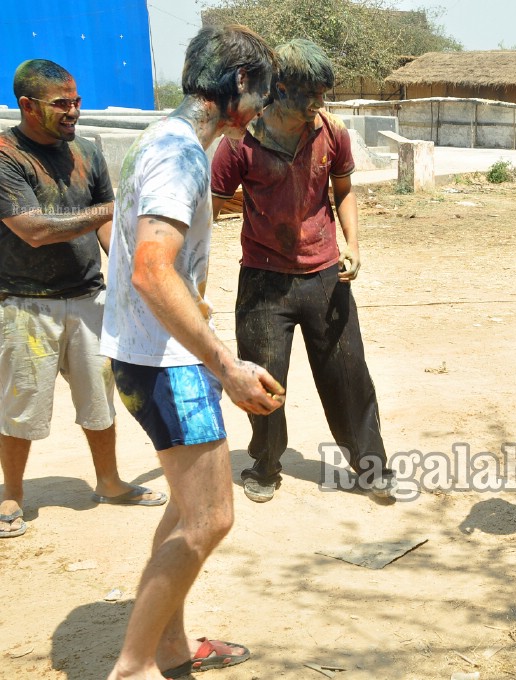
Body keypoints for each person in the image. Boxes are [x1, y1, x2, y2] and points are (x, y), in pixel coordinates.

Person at [100, 26, 283, 679]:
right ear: (239, 83)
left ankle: (170, 649)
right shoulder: (180, 155)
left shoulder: (155, 138)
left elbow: (136, 255)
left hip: (141, 354)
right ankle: (133, 667)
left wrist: (200, 329)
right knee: (209, 518)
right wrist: (224, 364)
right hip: (164, 364)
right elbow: (152, 269)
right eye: (261, 92)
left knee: (185, 510)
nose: (261, 110)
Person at [210, 38, 395, 504]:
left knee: (349, 375)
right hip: (263, 282)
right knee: (264, 380)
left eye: (323, 94)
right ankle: (266, 464)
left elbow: (344, 191)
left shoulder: (332, 132)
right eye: (310, 94)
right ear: (280, 87)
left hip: (326, 277)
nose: (318, 104)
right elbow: (211, 207)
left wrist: (353, 245)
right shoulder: (240, 142)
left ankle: (369, 466)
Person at [0, 59, 167, 540]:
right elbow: (31, 230)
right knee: (22, 404)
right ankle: (12, 492)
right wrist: (113, 208)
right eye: (62, 103)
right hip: (26, 304)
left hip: (89, 297)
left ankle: (109, 482)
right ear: (28, 105)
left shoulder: (88, 152)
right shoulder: (7, 155)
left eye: (76, 100)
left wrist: (130, 270)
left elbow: (104, 224)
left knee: (101, 399)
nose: (74, 110)